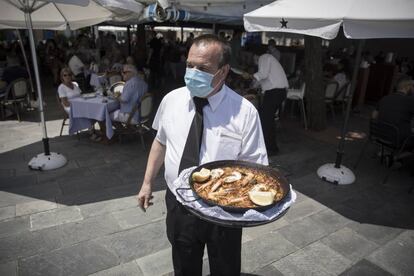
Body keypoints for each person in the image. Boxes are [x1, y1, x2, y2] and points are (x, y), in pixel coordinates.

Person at [137, 34, 268, 276]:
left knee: (225, 267)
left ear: (223, 71)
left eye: (203, 68)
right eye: (190, 65)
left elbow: (255, 168)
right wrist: (147, 183)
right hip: (179, 204)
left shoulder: (244, 112)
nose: (193, 72)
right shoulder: (171, 100)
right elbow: (160, 142)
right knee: (184, 266)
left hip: (223, 210)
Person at [243, 48, 289, 155]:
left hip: (275, 92)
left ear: (255, 55)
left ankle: (270, 149)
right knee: (267, 120)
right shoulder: (268, 60)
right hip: (277, 92)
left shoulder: (264, 57)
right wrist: (252, 87)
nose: (253, 60)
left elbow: (262, 74)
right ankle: (270, 147)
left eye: (253, 57)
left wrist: (249, 76)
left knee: (265, 120)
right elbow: (262, 79)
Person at [373, 76, 414, 148]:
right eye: (413, 86)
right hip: (398, 140)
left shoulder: (385, 98)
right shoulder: (410, 101)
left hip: (379, 135)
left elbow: (373, 117)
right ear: (408, 87)